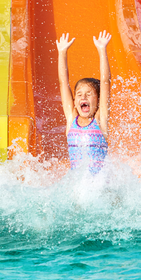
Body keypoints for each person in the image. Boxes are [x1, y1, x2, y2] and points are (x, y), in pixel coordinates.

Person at [56, 31, 112, 174]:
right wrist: (62, 53)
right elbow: (63, 83)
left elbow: (105, 82)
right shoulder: (71, 120)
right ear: (74, 102)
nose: (83, 98)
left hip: (99, 188)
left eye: (89, 94)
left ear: (98, 101)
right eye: (79, 95)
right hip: (78, 188)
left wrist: (102, 50)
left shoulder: (100, 120)